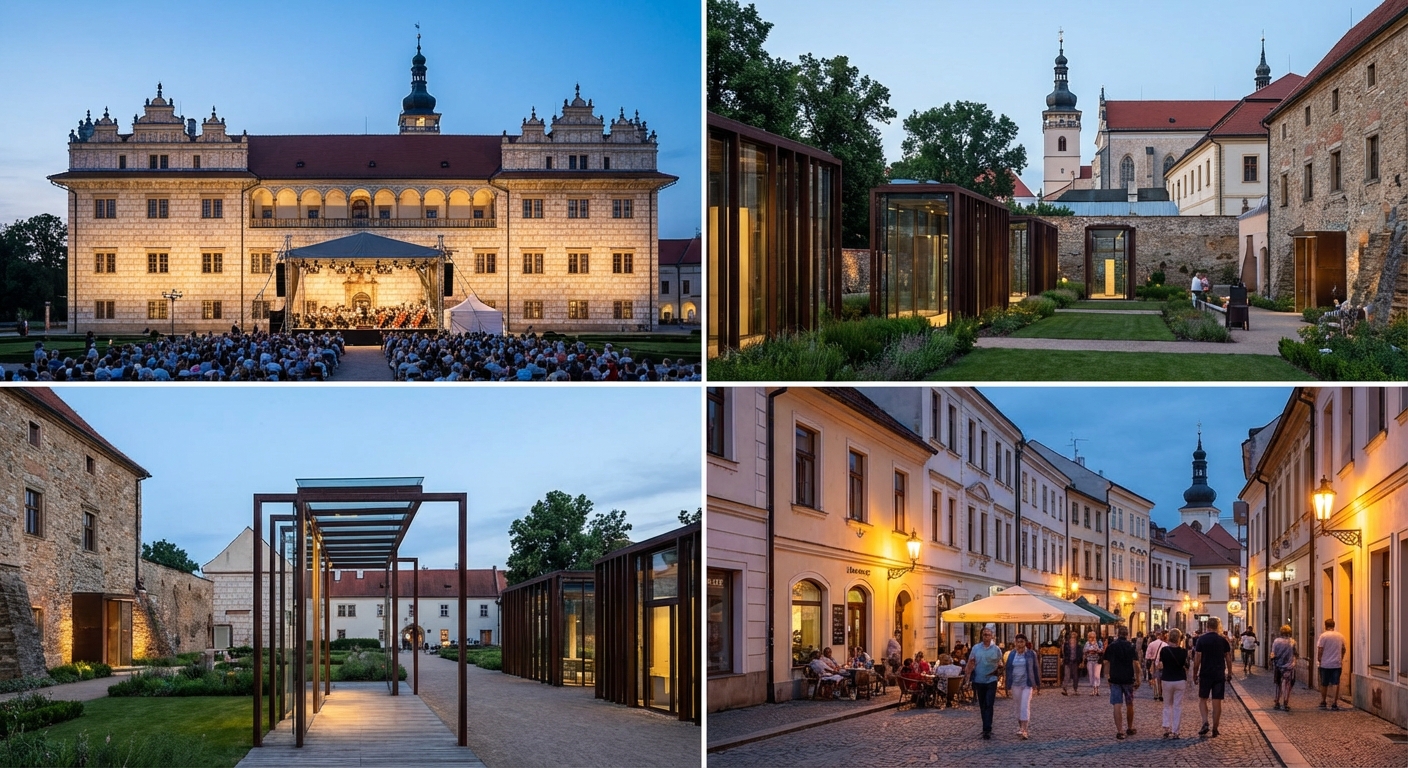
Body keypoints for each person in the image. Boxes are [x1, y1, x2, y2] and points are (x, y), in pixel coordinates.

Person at [1192, 616, 1234, 737]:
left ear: (1207, 626)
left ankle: (1205, 721)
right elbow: (1228, 657)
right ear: (1218, 626)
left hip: (1205, 673)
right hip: (1219, 674)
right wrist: (1229, 672)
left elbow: (1197, 658)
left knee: (1202, 699)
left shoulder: (1201, 640)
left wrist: (1195, 673)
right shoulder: (1223, 640)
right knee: (1217, 702)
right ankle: (1215, 728)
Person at [964, 625, 1005, 740]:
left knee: (989, 704)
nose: (985, 637)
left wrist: (998, 670)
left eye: (988, 634)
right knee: (982, 705)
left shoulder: (996, 649)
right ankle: (985, 726)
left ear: (992, 636)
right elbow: (971, 662)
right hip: (979, 680)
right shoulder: (976, 648)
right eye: (984, 635)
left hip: (991, 680)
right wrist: (967, 676)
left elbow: (1000, 663)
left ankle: (987, 728)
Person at [1105, 626, 1140, 740]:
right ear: (1127, 634)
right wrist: (1138, 677)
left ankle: (1119, 731)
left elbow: (1106, 662)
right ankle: (1129, 727)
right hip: (1128, 679)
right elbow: (1136, 663)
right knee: (1129, 703)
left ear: (1117, 633)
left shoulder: (1111, 646)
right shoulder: (1131, 646)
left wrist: (1107, 676)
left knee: (1117, 704)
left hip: (1115, 678)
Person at [1004, 633, 1040, 740]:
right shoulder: (1011, 654)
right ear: (1015, 643)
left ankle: (1025, 730)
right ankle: (1020, 727)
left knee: (1025, 705)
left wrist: (1037, 684)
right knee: (1018, 707)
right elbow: (1008, 670)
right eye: (1018, 642)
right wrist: (1007, 685)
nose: (1020, 644)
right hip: (1015, 684)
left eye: (1022, 642)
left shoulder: (1031, 654)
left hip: (1027, 684)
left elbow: (1035, 668)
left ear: (1025, 643)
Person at [1157, 628, 1190, 738]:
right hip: (1180, 679)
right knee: (1177, 706)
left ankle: (1166, 727)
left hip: (1167, 679)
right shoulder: (1183, 652)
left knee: (1167, 705)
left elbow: (1160, 665)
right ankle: (1176, 731)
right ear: (1179, 639)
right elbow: (1187, 666)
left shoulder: (1164, 650)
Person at [1316, 618, 1347, 710]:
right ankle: (1334, 703)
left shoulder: (1323, 636)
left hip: (1325, 663)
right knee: (1336, 683)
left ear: (1325, 626)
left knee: (1324, 683)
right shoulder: (1340, 636)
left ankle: (1323, 701)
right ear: (1334, 625)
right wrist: (1341, 657)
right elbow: (1343, 648)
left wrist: (1319, 659)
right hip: (1336, 663)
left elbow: (1320, 649)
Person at [1271, 624, 1298, 711]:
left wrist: (1272, 660)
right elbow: (1296, 653)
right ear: (1290, 632)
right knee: (1287, 684)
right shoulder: (1292, 642)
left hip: (1278, 665)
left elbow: (1273, 653)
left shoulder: (1276, 641)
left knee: (1278, 683)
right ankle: (1285, 702)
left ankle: (1277, 702)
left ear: (1281, 632)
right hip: (1289, 666)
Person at [1145, 628, 1167, 702]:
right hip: (1163, 663)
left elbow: (1147, 656)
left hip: (1154, 663)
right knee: (1162, 679)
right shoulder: (1165, 644)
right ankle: (1161, 694)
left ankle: (1156, 694)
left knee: (1155, 678)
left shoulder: (1151, 644)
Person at [1061, 631, 1083, 695]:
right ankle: (1065, 689)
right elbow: (1064, 653)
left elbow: (1080, 654)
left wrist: (1080, 661)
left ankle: (1075, 689)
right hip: (1068, 662)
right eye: (1072, 637)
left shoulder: (1078, 645)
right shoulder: (1066, 644)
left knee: (1075, 677)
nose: (1073, 638)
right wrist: (1064, 659)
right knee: (1067, 676)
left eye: (1074, 637)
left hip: (1075, 662)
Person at [1083, 631, 1105, 696]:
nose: (1092, 638)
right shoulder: (1087, 643)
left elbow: (1102, 650)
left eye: (1093, 637)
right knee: (1091, 675)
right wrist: (1088, 651)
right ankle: (1093, 689)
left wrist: (1097, 650)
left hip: (1097, 661)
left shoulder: (1099, 643)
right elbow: (1084, 650)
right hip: (1090, 661)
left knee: (1097, 675)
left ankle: (1097, 689)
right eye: (1090, 637)